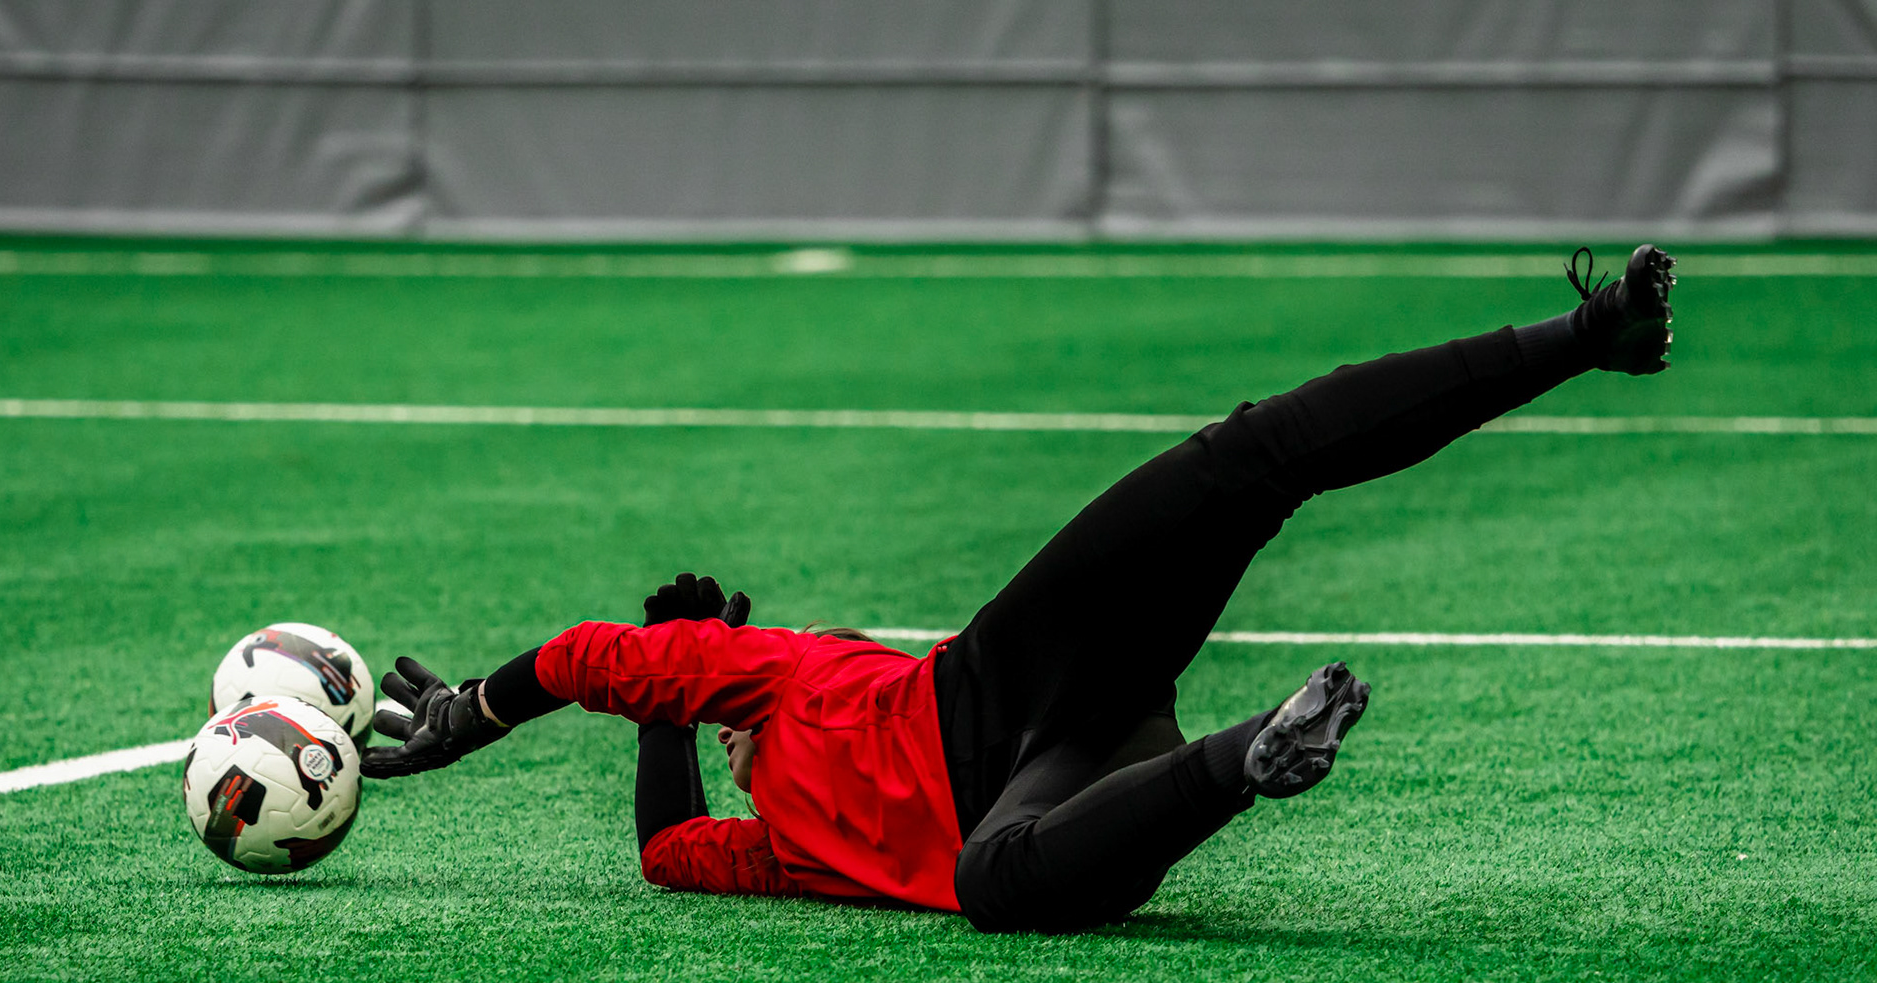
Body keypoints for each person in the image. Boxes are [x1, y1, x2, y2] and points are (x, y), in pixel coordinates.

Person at [361, 245, 1676, 933]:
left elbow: (599, 658)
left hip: (1017, 668)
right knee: (996, 885)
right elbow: (664, 849)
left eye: (701, 700)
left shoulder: (782, 671)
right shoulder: (775, 850)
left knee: (1245, 459)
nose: (710, 718)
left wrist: (487, 704)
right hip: (1068, 784)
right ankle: (1246, 759)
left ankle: (1579, 334)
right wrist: (660, 703)